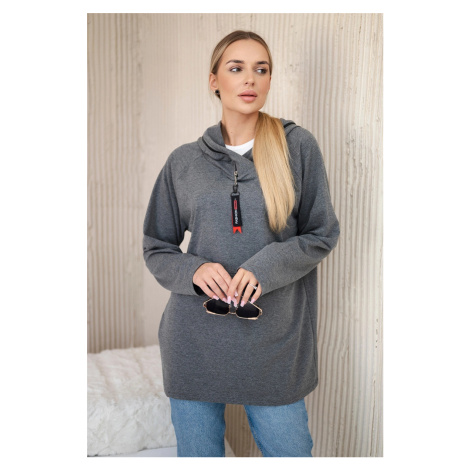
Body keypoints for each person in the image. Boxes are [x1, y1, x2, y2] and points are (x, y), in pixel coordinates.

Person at [143, 30, 340, 457]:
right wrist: (194, 269)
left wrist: (264, 266)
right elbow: (156, 245)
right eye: (237, 68)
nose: (250, 79)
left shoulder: (297, 147)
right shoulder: (183, 162)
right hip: (193, 344)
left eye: (261, 69)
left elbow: (321, 233)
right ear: (214, 81)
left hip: (275, 343)